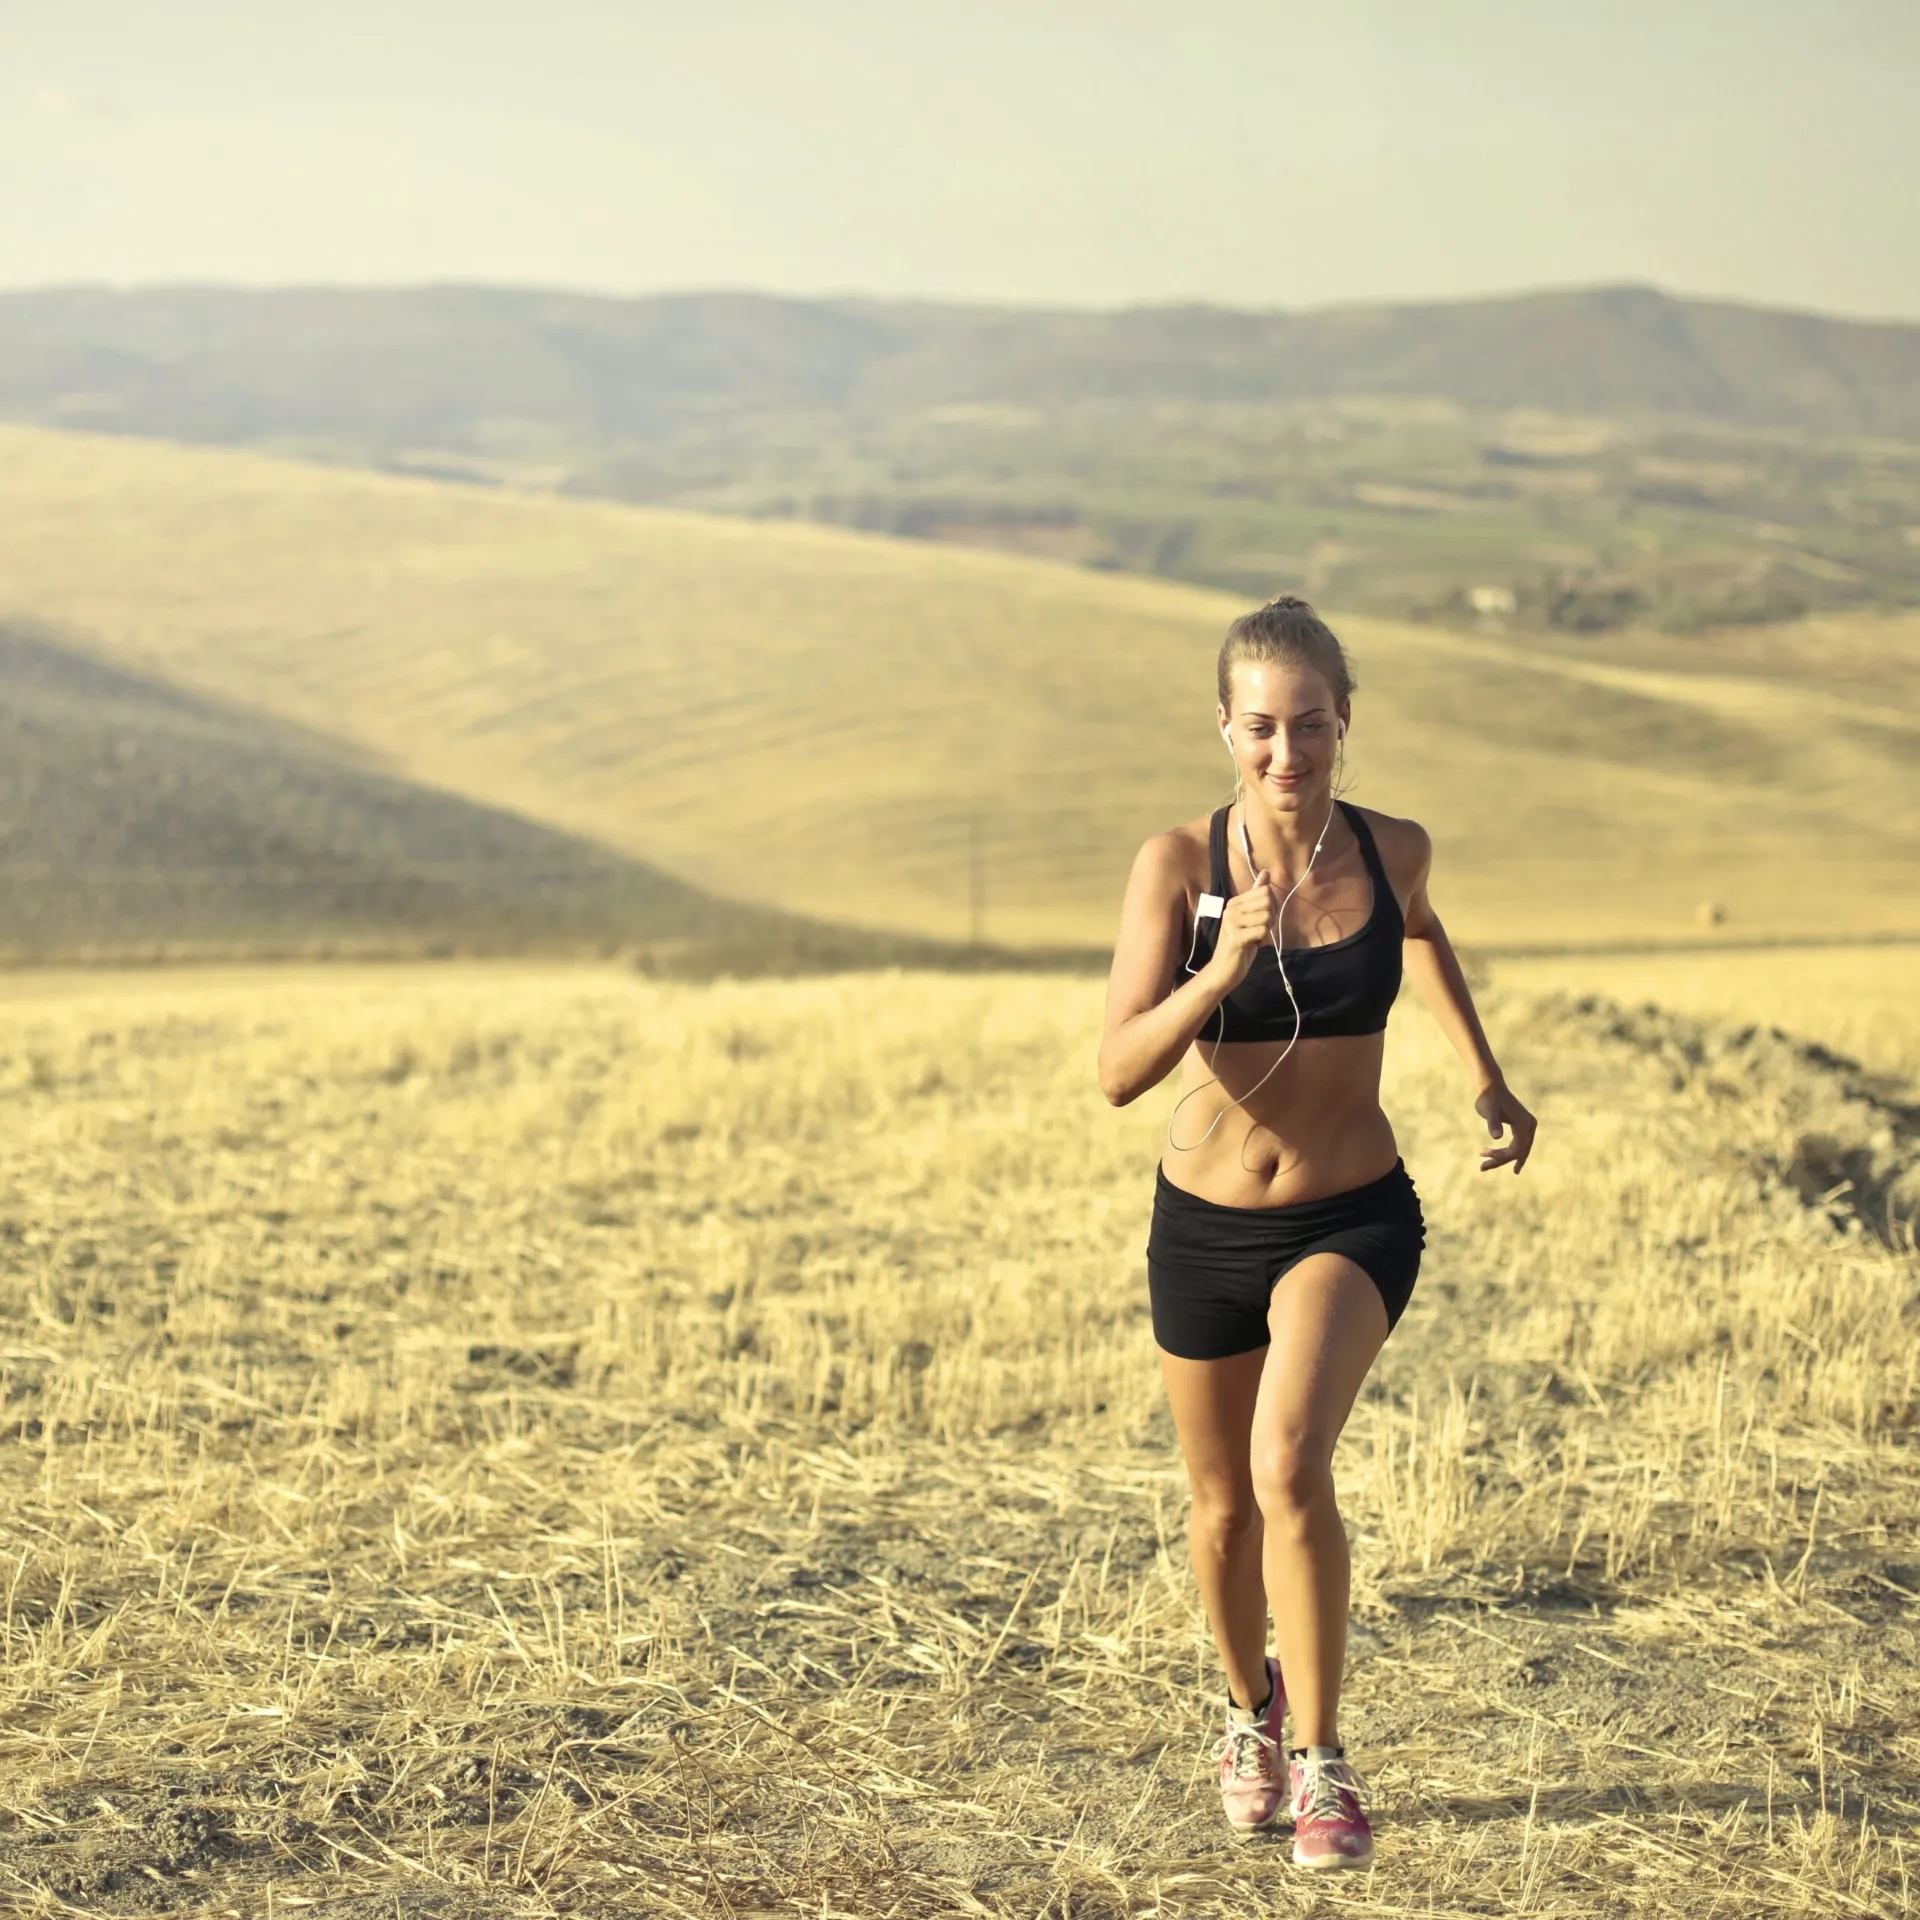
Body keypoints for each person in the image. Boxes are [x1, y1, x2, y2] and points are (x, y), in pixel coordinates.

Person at [1097, 596, 1536, 1870]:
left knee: (1290, 1467)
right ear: (1224, 730)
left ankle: (1326, 1760)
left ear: (1348, 722)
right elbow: (1118, 1071)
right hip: (1204, 1230)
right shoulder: (1177, 867)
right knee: (1224, 1506)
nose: (1287, 754)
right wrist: (1216, 974)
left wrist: (1484, 1077)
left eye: (1313, 726)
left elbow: (1426, 933)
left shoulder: (1394, 847)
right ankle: (1249, 1717)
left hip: (1353, 1213)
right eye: (1262, 730)